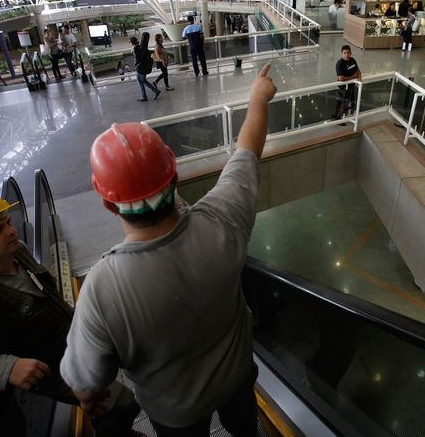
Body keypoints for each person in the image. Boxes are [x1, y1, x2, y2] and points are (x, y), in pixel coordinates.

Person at [60, 64, 278, 437]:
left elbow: (86, 380)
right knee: (245, 429)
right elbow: (247, 150)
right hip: (238, 377)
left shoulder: (101, 289)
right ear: (174, 176)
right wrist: (257, 97)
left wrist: (88, 396)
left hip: (176, 412)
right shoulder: (223, 218)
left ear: (109, 205)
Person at [0, 191, 140, 436]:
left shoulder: (18, 253)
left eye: (7, 222)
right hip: (53, 368)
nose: (10, 231)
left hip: (72, 341)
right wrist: (7, 368)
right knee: (120, 403)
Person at [130, 34, 161, 101]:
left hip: (140, 68)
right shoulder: (142, 47)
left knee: (142, 81)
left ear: (131, 43)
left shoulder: (135, 49)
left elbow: (136, 59)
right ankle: (148, 94)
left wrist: (136, 66)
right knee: (142, 81)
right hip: (144, 67)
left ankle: (152, 92)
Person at [334, 45, 361, 121]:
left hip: (350, 88)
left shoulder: (353, 60)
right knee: (343, 104)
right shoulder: (340, 63)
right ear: (342, 54)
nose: (346, 55)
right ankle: (338, 118)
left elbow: (357, 70)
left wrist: (359, 79)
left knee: (342, 103)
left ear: (351, 53)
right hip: (342, 88)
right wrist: (353, 77)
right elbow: (341, 78)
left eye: (348, 52)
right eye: (344, 53)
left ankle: (336, 117)